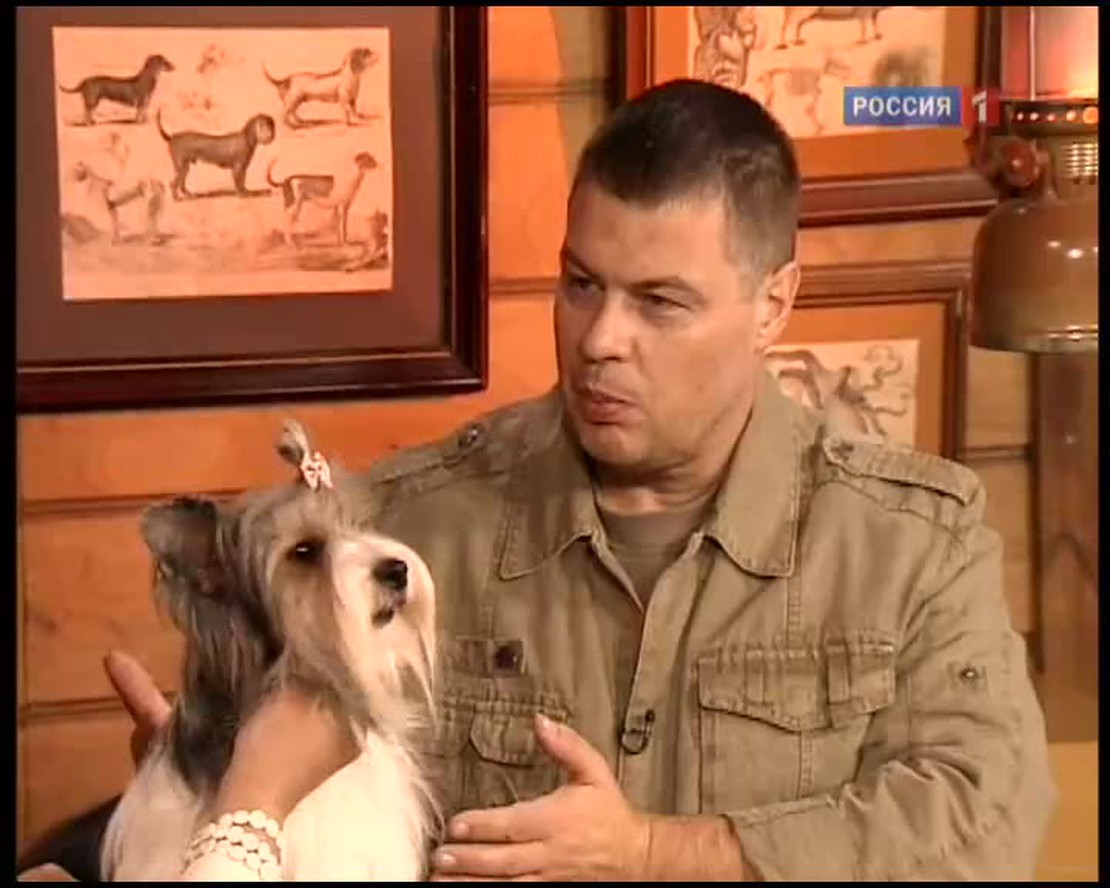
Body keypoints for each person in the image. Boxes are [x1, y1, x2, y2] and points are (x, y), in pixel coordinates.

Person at [19, 78, 1056, 882]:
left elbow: (984, 828)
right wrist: (208, 793)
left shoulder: (916, 544)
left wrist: (654, 852)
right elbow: (297, 813)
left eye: (659, 302)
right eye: (580, 284)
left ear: (773, 303)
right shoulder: (408, 532)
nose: (600, 338)